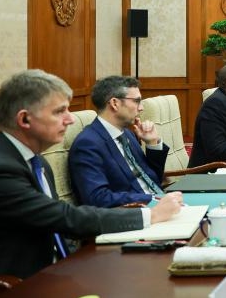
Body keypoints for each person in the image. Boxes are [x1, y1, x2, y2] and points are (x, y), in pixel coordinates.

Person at [0, 70, 183, 289]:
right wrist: (151, 214)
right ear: (24, 119)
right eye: (60, 111)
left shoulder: (36, 161)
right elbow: (64, 218)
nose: (70, 119)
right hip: (6, 296)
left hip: (51, 276)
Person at [69, 75, 168, 207]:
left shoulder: (127, 133)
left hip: (158, 204)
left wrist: (152, 144)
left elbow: (153, 180)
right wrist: (150, 198)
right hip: (133, 215)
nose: (141, 108)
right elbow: (97, 198)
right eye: (136, 101)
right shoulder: (88, 144)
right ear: (115, 103)